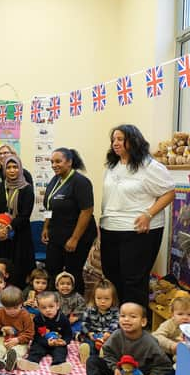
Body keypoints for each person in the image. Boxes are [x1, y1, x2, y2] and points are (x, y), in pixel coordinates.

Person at [100, 125, 175, 308]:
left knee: (133, 279)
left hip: (138, 230)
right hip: (111, 227)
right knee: (111, 274)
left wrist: (148, 214)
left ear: (133, 141)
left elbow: (169, 193)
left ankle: (135, 323)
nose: (115, 143)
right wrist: (102, 222)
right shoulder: (112, 165)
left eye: (120, 139)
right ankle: (118, 318)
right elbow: (110, 197)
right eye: (113, 140)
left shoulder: (149, 166)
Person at [86, 302, 175, 375]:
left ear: (143, 322)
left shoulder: (150, 341)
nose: (126, 319)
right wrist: (115, 368)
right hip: (120, 370)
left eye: (132, 316)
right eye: (123, 316)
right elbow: (108, 353)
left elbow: (164, 365)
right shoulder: (116, 334)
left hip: (141, 374)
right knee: (92, 360)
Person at [41, 148, 95, 293]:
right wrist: (46, 227)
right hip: (57, 233)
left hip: (77, 236)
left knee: (73, 273)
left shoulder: (80, 182)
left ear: (69, 162)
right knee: (52, 269)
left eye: (58, 161)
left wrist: (74, 239)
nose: (54, 165)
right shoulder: (55, 179)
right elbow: (49, 206)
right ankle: (55, 305)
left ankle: (76, 308)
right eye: (52, 162)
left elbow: (87, 211)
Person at [0, 155, 35, 288]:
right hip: (0, 237)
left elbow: (25, 215)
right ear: (4, 169)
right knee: (1, 267)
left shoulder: (27, 189)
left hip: (20, 236)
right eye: (8, 167)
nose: (12, 170)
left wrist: (8, 228)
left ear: (20, 169)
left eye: (15, 167)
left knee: (18, 269)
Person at [17, 291, 73, 375]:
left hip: (57, 343)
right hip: (42, 342)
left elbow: (68, 334)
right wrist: (46, 342)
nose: (48, 310)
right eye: (44, 307)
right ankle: (31, 362)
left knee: (60, 351)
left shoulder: (63, 319)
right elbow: (36, 336)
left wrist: (64, 341)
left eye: (51, 306)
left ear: (57, 306)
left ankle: (58, 365)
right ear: (38, 308)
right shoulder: (38, 319)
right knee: (36, 349)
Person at [0, 286, 34, 371]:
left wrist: (18, 340)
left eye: (15, 308)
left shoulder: (25, 315)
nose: (12, 311)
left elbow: (30, 333)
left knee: (18, 350)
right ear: (3, 305)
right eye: (8, 308)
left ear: (21, 304)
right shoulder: (0, 312)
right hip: (4, 337)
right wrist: (1, 328)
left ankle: (10, 361)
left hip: (20, 341)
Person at [79, 278, 119, 365]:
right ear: (94, 298)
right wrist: (89, 333)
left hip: (107, 337)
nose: (102, 301)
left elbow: (115, 323)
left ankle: (103, 355)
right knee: (89, 344)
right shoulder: (89, 309)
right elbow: (84, 323)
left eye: (106, 298)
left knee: (112, 345)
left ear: (113, 299)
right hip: (93, 335)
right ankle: (87, 356)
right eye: (99, 298)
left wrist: (108, 333)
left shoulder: (115, 311)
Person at [55, 271, 86, 335]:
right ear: (57, 286)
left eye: (68, 284)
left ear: (72, 286)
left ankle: (75, 334)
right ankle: (58, 333)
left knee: (80, 324)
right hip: (58, 319)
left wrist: (75, 316)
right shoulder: (54, 296)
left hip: (72, 319)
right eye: (62, 284)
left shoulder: (77, 296)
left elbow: (82, 306)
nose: (65, 286)